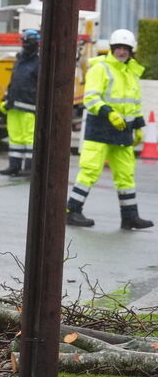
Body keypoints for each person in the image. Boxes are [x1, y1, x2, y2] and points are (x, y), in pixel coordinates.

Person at [66, 29, 152, 230]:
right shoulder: (100, 68)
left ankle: (130, 217)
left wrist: (138, 126)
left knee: (126, 174)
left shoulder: (131, 71)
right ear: (112, 49)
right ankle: (72, 211)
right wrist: (110, 113)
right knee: (90, 171)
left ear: (131, 51)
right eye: (118, 48)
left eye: (125, 49)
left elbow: (134, 104)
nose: (122, 52)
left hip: (123, 131)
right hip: (100, 129)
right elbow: (91, 98)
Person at [0, 29, 41, 177]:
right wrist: (6, 98)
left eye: (27, 42)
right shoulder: (20, 59)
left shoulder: (39, 62)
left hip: (29, 106)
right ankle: (14, 165)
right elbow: (14, 81)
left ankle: (30, 167)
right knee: (15, 137)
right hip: (14, 105)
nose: (24, 45)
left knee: (29, 138)